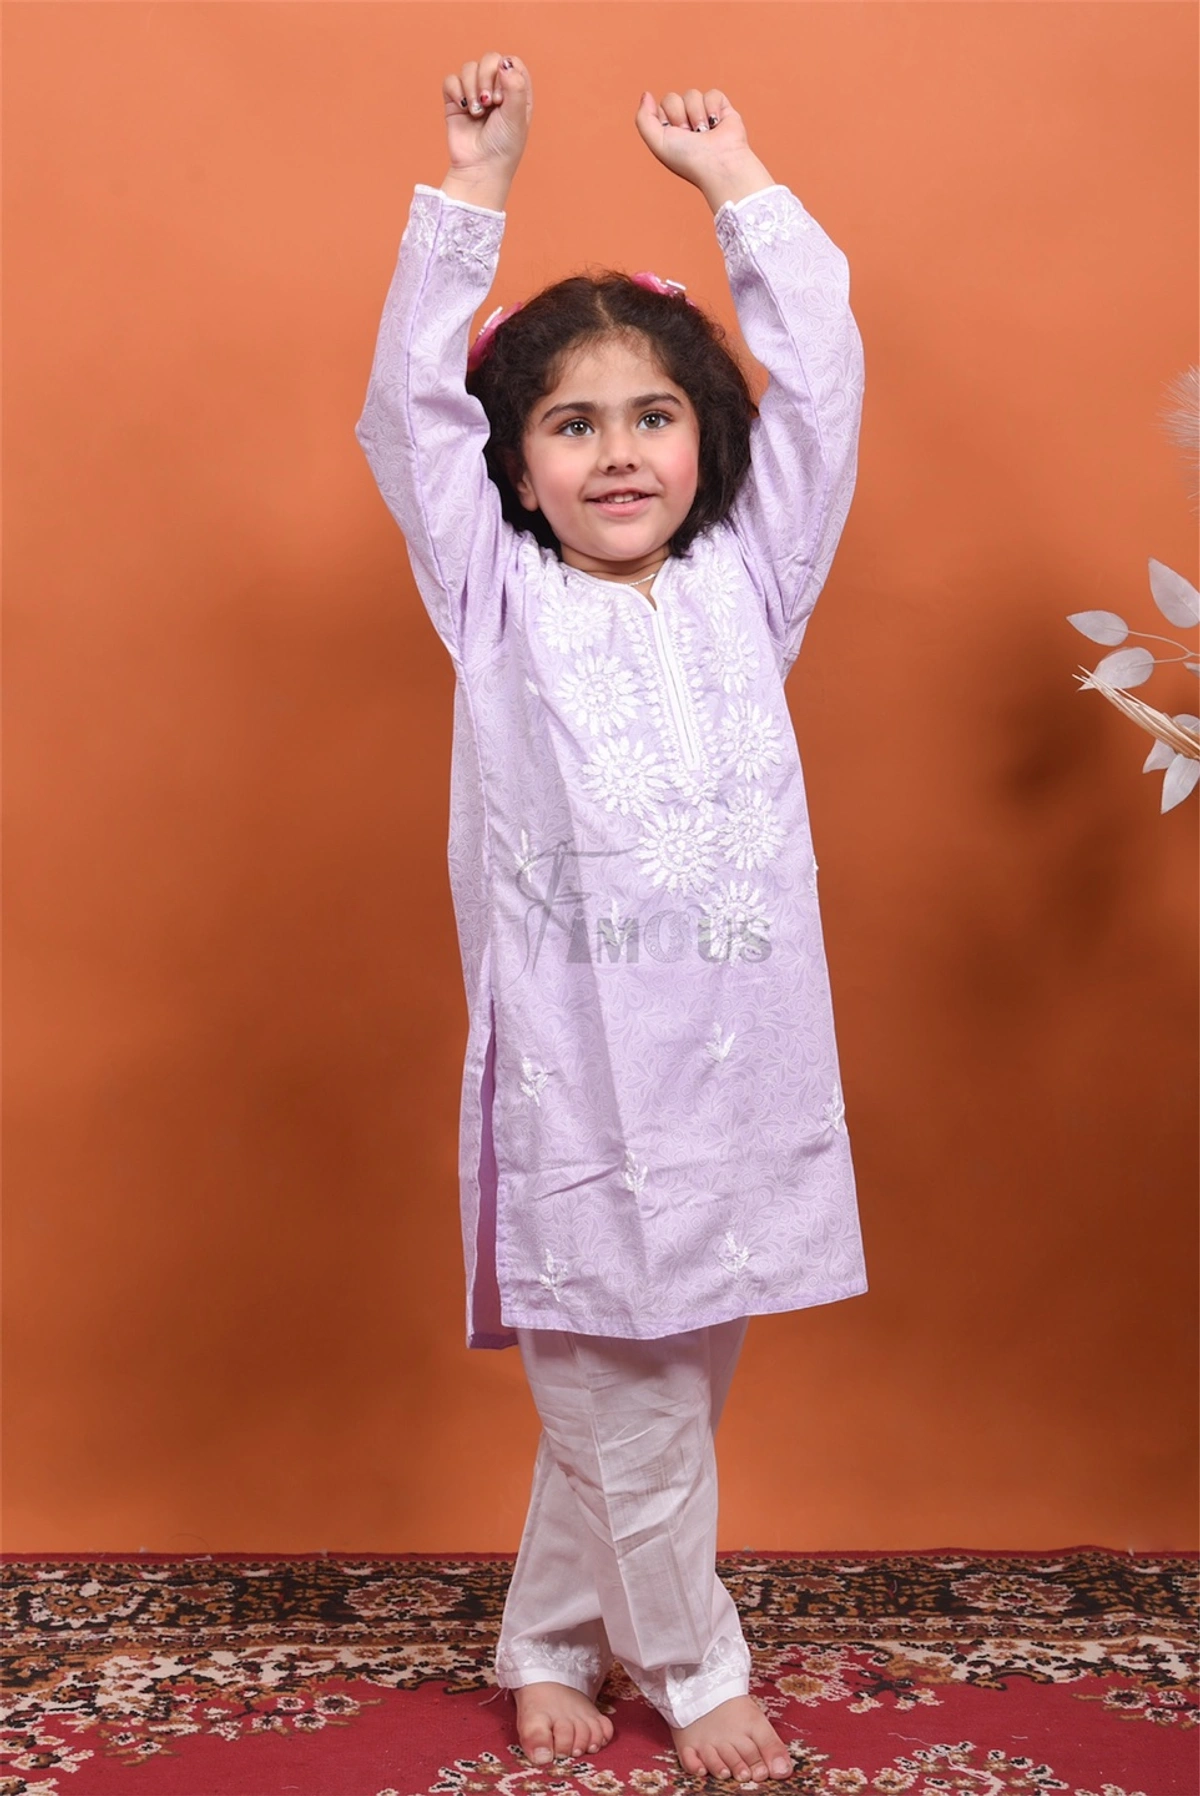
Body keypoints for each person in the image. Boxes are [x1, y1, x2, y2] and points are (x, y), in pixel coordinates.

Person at [355, 49, 868, 1786]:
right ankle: (696, 1666)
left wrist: (740, 193)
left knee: (664, 1394)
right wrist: (474, 188)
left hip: (735, 1077)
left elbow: (823, 390)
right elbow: (407, 414)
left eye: (653, 416)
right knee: (623, 1395)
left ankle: (545, 1639)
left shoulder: (752, 582)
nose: (620, 452)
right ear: (515, 464)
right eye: (571, 425)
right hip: (580, 1086)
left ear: (707, 441)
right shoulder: (495, 596)